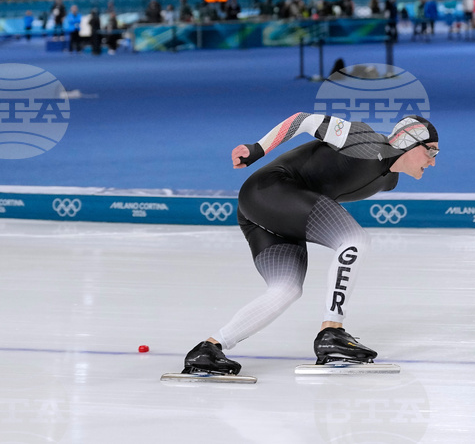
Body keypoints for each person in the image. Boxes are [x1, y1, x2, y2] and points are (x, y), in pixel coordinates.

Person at [182, 113, 440, 377]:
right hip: (269, 191)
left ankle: (208, 350)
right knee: (354, 239)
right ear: (409, 142)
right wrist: (257, 148)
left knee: (287, 289)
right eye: (431, 151)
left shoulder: (388, 181)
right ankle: (332, 332)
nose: (433, 161)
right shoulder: (365, 140)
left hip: (268, 211)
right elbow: (304, 120)